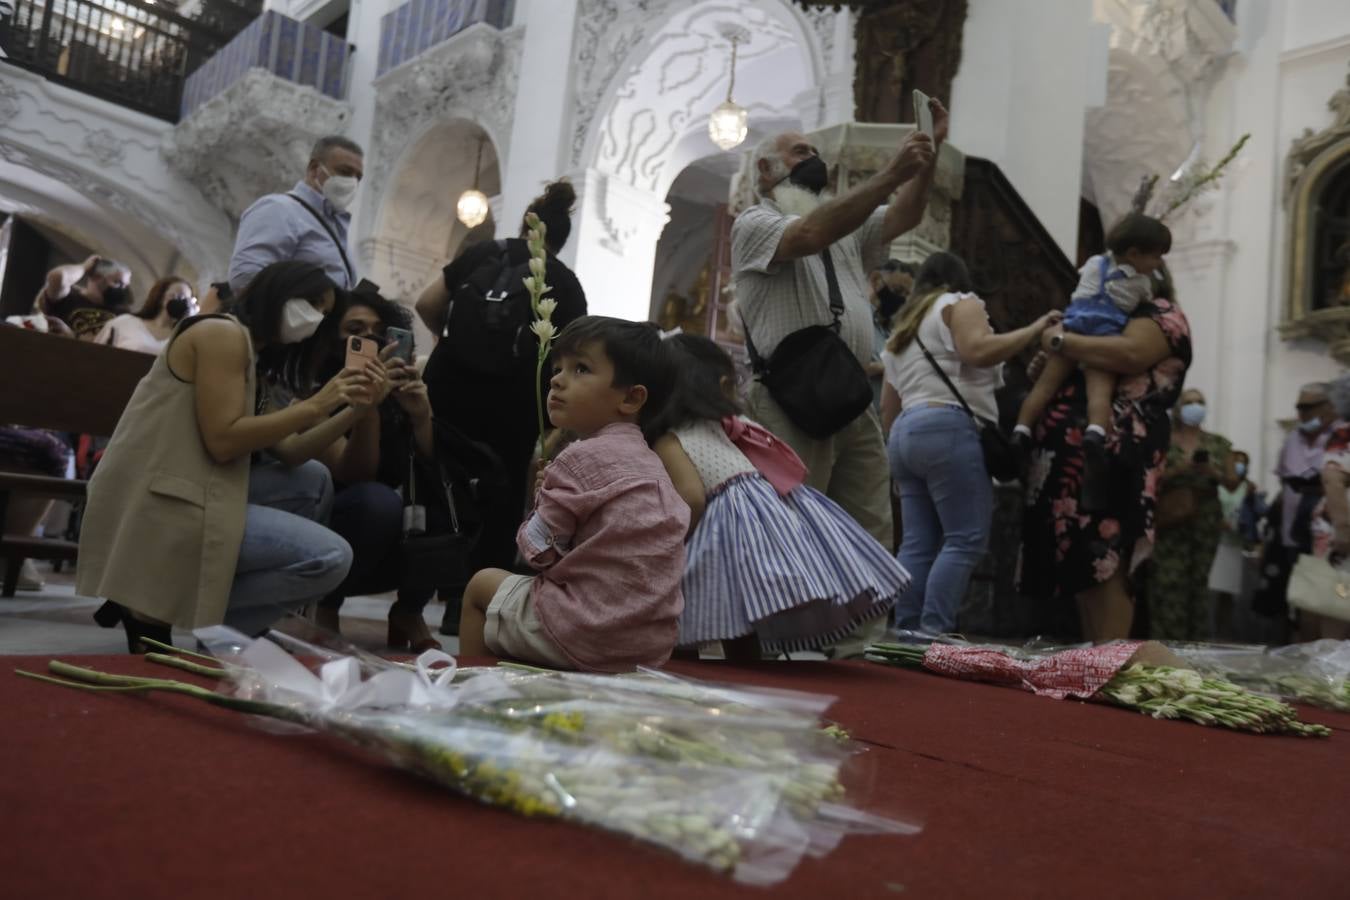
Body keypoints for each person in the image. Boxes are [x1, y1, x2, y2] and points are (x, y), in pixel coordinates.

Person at [730, 100, 948, 651]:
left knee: (868, 517)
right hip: (789, 396)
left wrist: (925, 161)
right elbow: (808, 235)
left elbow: (903, 217)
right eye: (800, 151)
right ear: (766, 170)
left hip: (847, 393)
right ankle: (787, 644)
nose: (813, 158)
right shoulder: (755, 223)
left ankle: (855, 646)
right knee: (795, 521)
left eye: (815, 151)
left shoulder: (848, 229)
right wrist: (891, 172)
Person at [77, 261, 363, 652]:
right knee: (331, 557)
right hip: (159, 499)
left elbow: (292, 451)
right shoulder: (221, 334)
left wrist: (356, 409)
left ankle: (195, 614)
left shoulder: (252, 356)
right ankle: (208, 624)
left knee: (312, 479)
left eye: (324, 313)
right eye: (312, 303)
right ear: (278, 292)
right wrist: (316, 405)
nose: (315, 318)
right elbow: (224, 441)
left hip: (195, 487)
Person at [648, 333, 909, 658]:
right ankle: (751, 667)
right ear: (724, 385)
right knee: (746, 614)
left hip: (723, 525)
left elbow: (693, 499)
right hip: (769, 513)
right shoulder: (735, 423)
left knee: (695, 606)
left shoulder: (671, 441)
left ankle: (683, 663)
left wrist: (668, 546)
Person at [458, 317, 689, 672]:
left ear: (630, 397)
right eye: (557, 367)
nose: (556, 380)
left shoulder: (579, 457)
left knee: (480, 586)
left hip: (585, 631)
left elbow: (539, 552)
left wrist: (540, 507)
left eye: (580, 369)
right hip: (647, 646)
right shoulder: (652, 464)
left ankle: (472, 693)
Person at [416, 180, 588, 581]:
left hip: (447, 392)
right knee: (502, 496)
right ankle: (472, 598)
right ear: (559, 241)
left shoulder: (482, 253)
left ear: (526, 226)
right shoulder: (564, 282)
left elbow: (426, 303)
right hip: (513, 407)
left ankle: (418, 590)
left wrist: (451, 343)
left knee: (437, 484)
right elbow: (571, 354)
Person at [879, 252, 1059, 635]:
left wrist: (896, 462)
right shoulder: (960, 303)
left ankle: (905, 633)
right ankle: (933, 632)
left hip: (904, 432)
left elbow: (887, 405)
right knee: (965, 539)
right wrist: (1035, 328)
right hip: (946, 427)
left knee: (917, 542)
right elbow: (977, 350)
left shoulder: (902, 330)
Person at [1018, 276, 1192, 642]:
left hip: (1117, 455)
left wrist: (1063, 341)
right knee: (1083, 560)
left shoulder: (1162, 315)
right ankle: (1096, 657)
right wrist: (1051, 361)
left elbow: (1128, 354)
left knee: (1108, 554)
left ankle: (1111, 661)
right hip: (1073, 458)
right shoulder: (1101, 312)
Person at [312, 284, 460, 651]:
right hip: (340, 522)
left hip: (398, 530)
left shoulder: (399, 389)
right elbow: (353, 474)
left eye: (378, 330)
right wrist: (367, 410)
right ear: (332, 337)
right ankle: (326, 603)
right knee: (377, 503)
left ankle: (409, 611)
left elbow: (430, 466)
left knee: (449, 496)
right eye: (355, 331)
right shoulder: (317, 390)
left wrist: (421, 414)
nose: (371, 340)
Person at [1014, 215, 1171, 505]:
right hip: (1104, 335)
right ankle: (1096, 433)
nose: (1158, 264)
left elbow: (1080, 290)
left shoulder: (1094, 264)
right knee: (1100, 391)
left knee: (1043, 388)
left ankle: (1021, 428)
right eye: (1157, 257)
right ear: (1135, 254)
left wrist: (1060, 338)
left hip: (1073, 324)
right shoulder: (1140, 284)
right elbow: (1140, 303)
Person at [1146, 388, 1232, 641]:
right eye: (1189, 402)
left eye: (1200, 402)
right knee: (1167, 581)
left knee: (1199, 582)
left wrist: (1210, 471)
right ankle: (1166, 642)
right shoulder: (1164, 440)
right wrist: (1183, 468)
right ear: (1179, 408)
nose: (1195, 406)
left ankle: (1197, 644)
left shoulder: (1218, 443)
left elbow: (1232, 482)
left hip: (1205, 518)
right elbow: (1151, 477)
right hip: (1170, 515)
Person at [227, 135, 364, 295]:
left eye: (358, 177)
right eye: (344, 172)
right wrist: (305, 310)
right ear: (314, 169)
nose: (352, 182)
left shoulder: (336, 226)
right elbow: (245, 277)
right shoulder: (279, 209)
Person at [1255, 382, 1338, 620]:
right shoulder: (1292, 439)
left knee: (1327, 600)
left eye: (1308, 406)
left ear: (1330, 406)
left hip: (1328, 533)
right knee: (1295, 596)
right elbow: (1284, 483)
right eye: (1299, 407)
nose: (1302, 413)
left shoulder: (1342, 437)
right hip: (1293, 529)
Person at [1306, 373, 1350, 640]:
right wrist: (1344, 531)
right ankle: (1331, 672)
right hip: (1342, 529)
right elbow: (1333, 479)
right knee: (1337, 601)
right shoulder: (1345, 433)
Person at [1208, 448, 1265, 641]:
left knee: (1228, 593)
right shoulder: (1217, 484)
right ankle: (1210, 630)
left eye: (1243, 462)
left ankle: (1224, 633)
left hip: (1234, 543)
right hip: (1213, 541)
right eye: (1236, 462)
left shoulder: (1248, 488)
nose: (1239, 466)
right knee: (1210, 592)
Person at [36, 255, 133, 340]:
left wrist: (74, 337)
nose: (122, 289)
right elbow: (57, 276)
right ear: (96, 277)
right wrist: (84, 267)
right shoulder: (68, 297)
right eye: (118, 283)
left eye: (125, 285)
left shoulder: (123, 313)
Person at [94, 276, 199, 354]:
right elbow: (94, 353)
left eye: (186, 300)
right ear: (161, 297)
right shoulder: (125, 322)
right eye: (179, 296)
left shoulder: (182, 337)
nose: (182, 302)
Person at [867, 259, 916, 410]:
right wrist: (886, 368)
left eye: (907, 295)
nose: (902, 300)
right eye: (898, 291)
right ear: (876, 281)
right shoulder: (859, 321)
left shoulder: (893, 334)